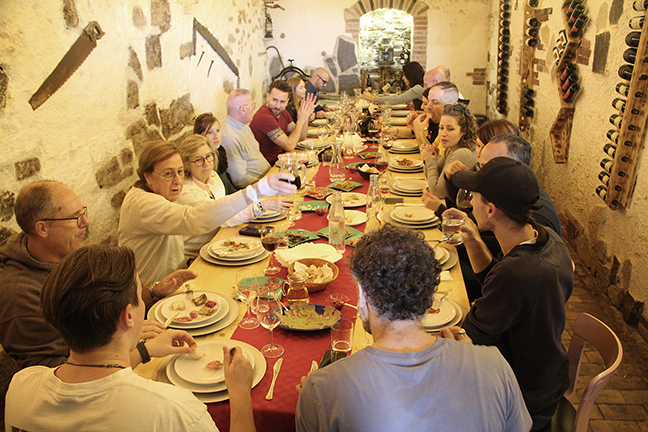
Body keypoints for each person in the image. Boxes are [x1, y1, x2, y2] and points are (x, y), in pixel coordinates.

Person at [295, 224, 532, 432]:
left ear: (363, 295)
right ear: (429, 297)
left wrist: (316, 398)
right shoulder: (496, 365)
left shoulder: (322, 389)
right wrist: (475, 359)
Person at [5, 245, 256, 432]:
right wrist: (240, 393)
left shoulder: (20, 386)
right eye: (139, 295)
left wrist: (144, 351)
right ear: (128, 316)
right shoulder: (172, 410)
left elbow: (96, 375)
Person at [0, 181, 194, 369]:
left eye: (82, 213)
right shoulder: (19, 296)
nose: (86, 222)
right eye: (75, 217)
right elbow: (52, 375)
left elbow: (102, 306)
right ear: (42, 228)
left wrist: (153, 292)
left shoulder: (64, 255)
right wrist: (136, 349)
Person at [446, 157, 573, 430]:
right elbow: (497, 283)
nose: (470, 203)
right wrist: (472, 239)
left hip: (524, 400)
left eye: (475, 197)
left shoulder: (517, 273)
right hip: (547, 378)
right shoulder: (547, 238)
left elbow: (467, 340)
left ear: (490, 210)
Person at [118, 140, 297, 286]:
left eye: (180, 172)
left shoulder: (155, 193)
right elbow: (193, 220)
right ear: (147, 176)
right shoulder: (143, 203)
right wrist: (256, 191)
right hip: (153, 296)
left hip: (177, 280)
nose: (178, 181)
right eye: (168, 174)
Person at [176, 134, 290, 257]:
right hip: (198, 254)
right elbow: (222, 218)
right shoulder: (188, 192)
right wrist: (261, 206)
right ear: (186, 164)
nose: (206, 163)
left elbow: (226, 206)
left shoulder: (213, 176)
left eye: (208, 156)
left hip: (219, 240)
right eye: (198, 160)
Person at [250, 80, 316, 165]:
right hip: (268, 167)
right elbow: (290, 146)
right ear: (267, 97)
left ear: (287, 101)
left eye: (282, 102)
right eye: (274, 100)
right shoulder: (264, 117)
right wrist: (300, 121)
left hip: (280, 162)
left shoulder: (283, 112)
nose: (277, 106)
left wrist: (305, 115)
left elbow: (301, 137)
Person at [422, 104, 478, 202]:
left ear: (464, 131)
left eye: (450, 129)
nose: (443, 134)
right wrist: (431, 158)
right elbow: (431, 177)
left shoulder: (462, 153)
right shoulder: (451, 148)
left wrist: (430, 160)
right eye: (441, 128)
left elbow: (436, 191)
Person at [221, 89, 271, 188]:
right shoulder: (229, 137)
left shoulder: (243, 126)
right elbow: (240, 180)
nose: (254, 108)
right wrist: (267, 183)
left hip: (267, 179)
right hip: (259, 189)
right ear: (243, 109)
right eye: (252, 105)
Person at [194, 113, 237, 194]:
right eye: (209, 132)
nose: (216, 136)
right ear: (198, 136)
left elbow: (226, 183)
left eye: (218, 130)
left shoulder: (220, 151)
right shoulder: (199, 161)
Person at [361, 61, 426, 110]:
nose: (403, 78)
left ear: (411, 76)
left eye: (404, 75)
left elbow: (396, 100)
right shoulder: (420, 86)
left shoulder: (418, 88)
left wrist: (373, 98)